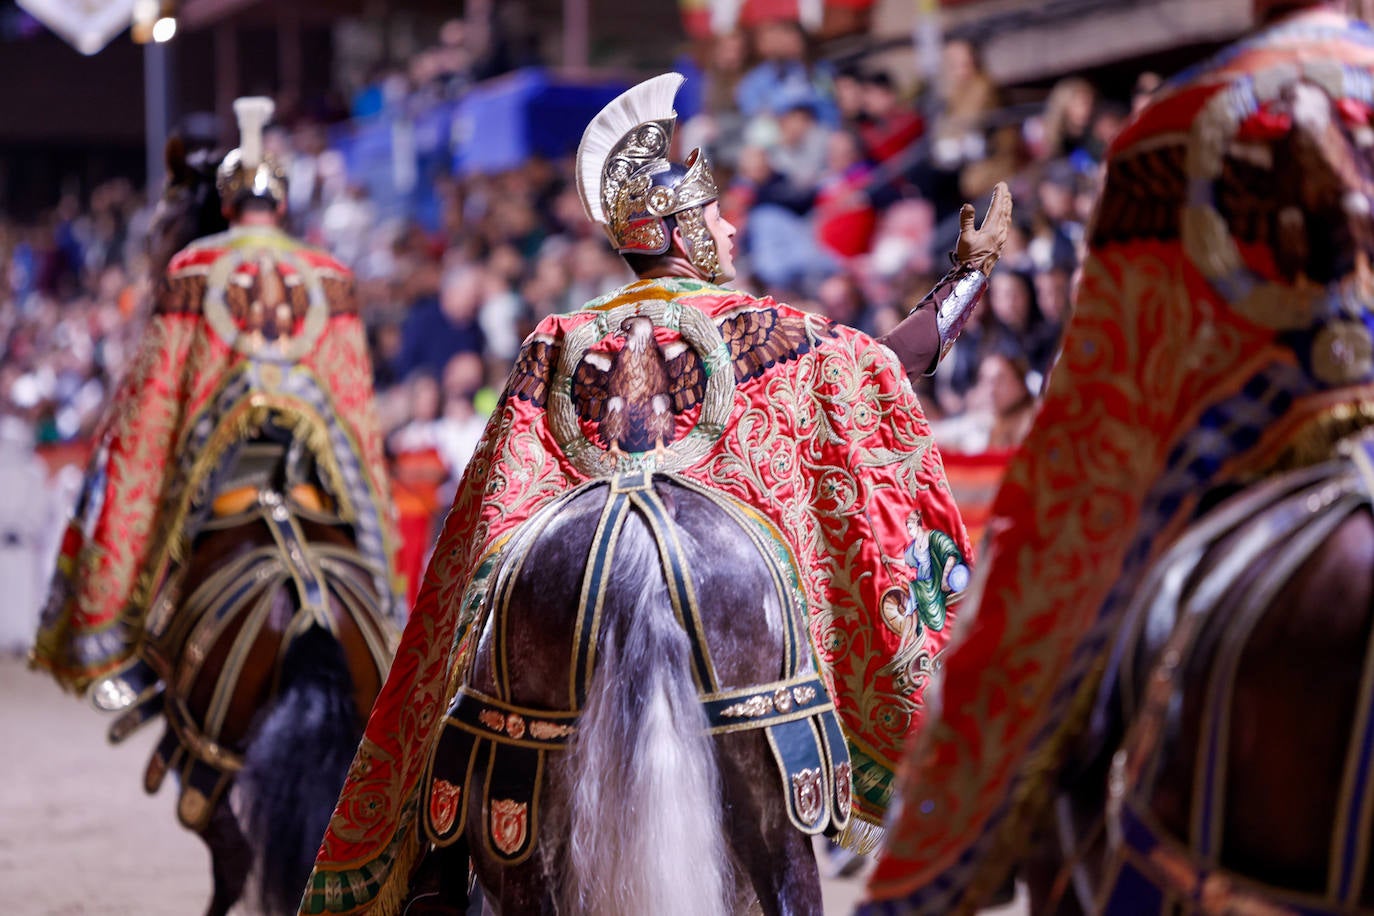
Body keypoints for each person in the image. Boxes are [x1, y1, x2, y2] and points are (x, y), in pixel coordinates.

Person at [300, 72, 1013, 913]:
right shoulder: (760, 329)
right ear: (681, 233)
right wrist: (970, 276)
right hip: (737, 611)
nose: (733, 223)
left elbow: (496, 508)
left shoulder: (560, 338)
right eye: (716, 214)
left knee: (464, 645)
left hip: (563, 608)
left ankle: (433, 867)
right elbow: (885, 369)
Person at [867, 1, 1374, 910]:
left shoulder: (1182, 124)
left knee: (1049, 616)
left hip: (1248, 448)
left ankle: (942, 863)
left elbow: (1101, 409)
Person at [31, 98, 401, 839]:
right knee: (372, 582)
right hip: (311, 480)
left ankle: (127, 657)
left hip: (226, 486)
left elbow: (154, 405)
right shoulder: (328, 275)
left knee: (153, 536)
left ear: (228, 202)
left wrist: (136, 480)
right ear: (283, 202)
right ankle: (391, 642)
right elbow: (356, 416)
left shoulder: (194, 268)